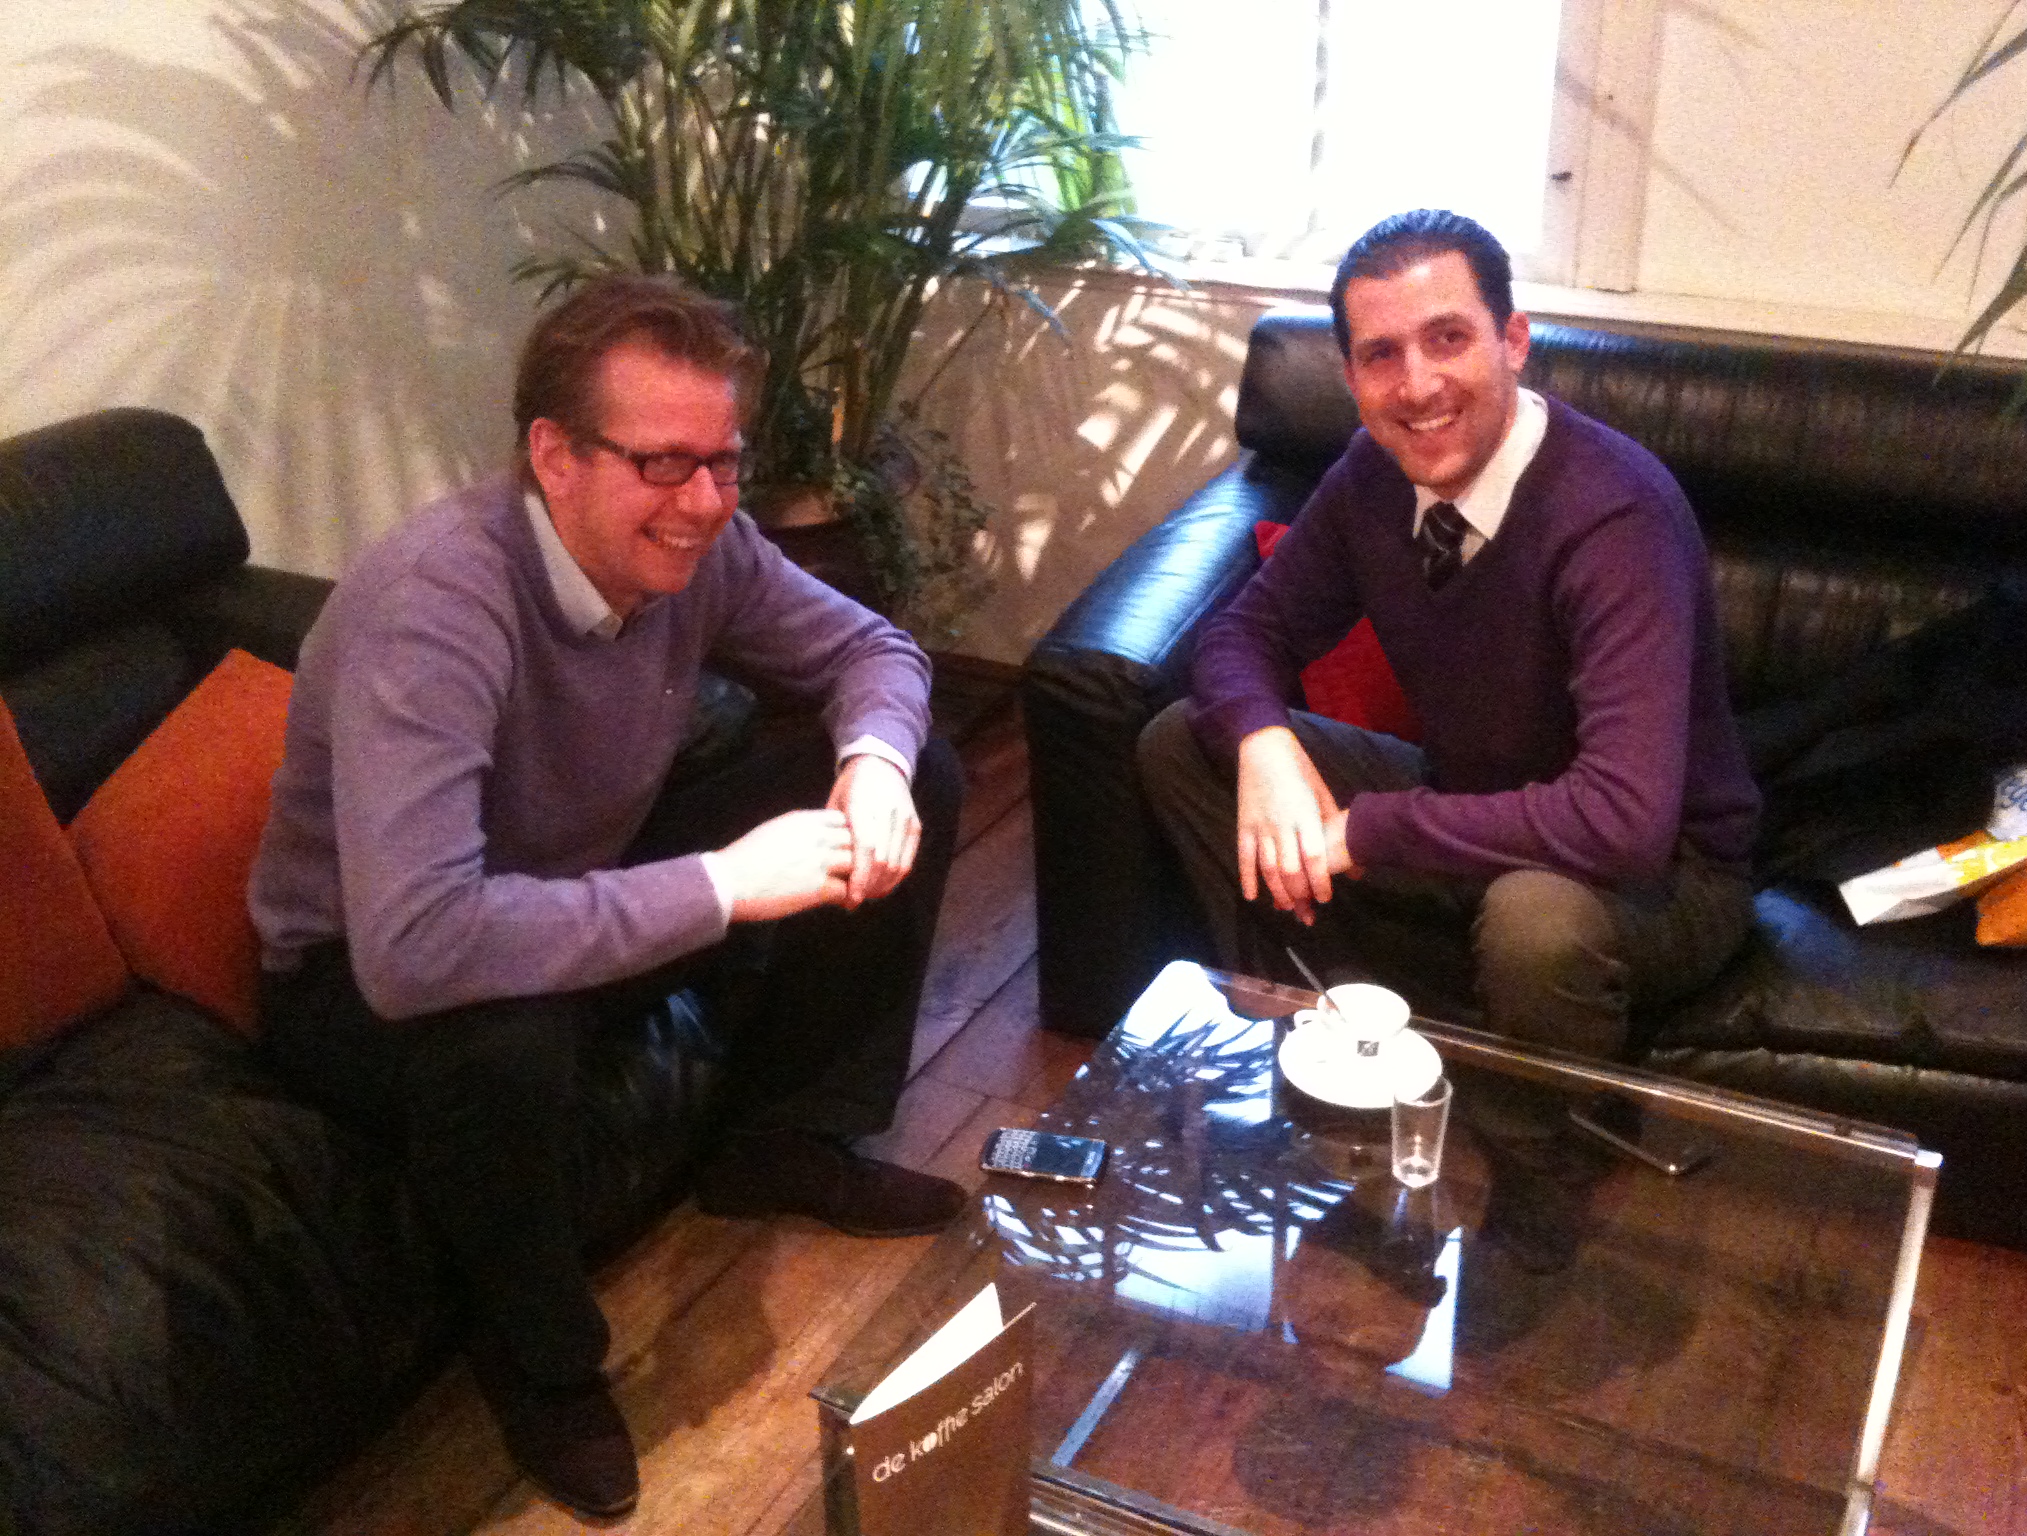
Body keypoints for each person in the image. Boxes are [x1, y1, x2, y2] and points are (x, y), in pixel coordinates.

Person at [248, 276, 964, 1519]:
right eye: (661, 463)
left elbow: (873, 650)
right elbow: (418, 945)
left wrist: (874, 764)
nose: (704, 502)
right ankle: (542, 1363)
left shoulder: (704, 545)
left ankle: (782, 1138)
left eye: (723, 461)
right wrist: (724, 884)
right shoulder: (434, 608)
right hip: (359, 976)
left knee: (910, 777)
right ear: (553, 457)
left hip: (568, 885)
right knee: (503, 1032)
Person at [1138, 211, 1760, 1253]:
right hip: (1474, 801)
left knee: (1534, 920)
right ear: (1350, 376)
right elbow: (1243, 634)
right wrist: (1263, 745)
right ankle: (1336, 1064)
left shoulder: (1614, 517)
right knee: (1181, 741)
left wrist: (1367, 831)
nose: (1417, 385)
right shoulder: (1374, 475)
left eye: (1448, 339)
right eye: (1381, 354)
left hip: (1669, 875)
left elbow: (1622, 821)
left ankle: (1537, 1183)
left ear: (1513, 341)